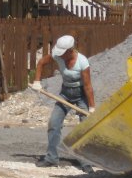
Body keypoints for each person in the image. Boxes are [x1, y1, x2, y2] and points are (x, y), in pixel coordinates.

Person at [30, 34, 95, 168]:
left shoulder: (82, 62)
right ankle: (52, 158)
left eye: (63, 53)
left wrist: (92, 108)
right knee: (54, 123)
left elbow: (88, 86)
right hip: (65, 93)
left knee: (85, 128)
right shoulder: (57, 55)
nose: (59, 56)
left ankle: (86, 162)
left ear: (70, 50)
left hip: (81, 94)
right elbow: (41, 63)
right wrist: (37, 81)